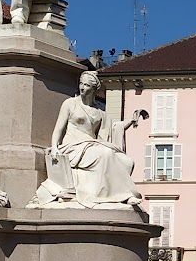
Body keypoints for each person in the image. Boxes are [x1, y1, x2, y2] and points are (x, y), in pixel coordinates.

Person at [28, 70, 143, 209]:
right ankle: (122, 195)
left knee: (126, 161)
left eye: (87, 85)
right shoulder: (70, 103)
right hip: (72, 146)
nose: (82, 88)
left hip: (92, 145)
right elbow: (58, 128)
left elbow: (112, 128)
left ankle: (118, 196)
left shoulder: (99, 110)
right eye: (81, 84)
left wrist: (130, 121)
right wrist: (54, 147)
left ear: (94, 89)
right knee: (105, 154)